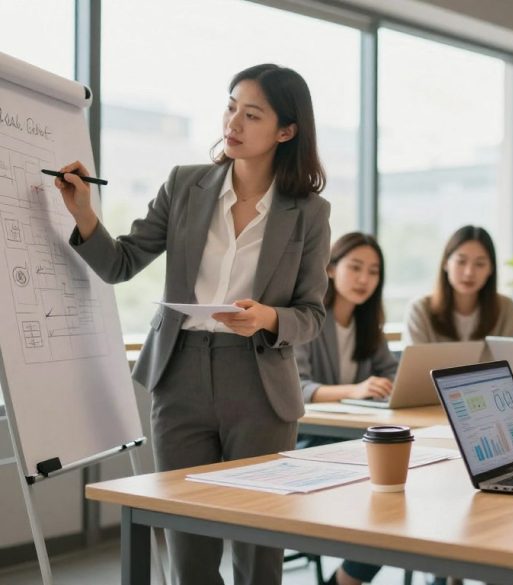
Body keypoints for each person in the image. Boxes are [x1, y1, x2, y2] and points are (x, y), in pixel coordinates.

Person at [55, 64, 330, 585]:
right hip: (180, 377)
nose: (234, 122)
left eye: (252, 115)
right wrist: (84, 215)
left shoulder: (308, 212)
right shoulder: (185, 185)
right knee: (188, 542)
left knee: (258, 544)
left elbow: (311, 314)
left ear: (286, 131)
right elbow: (121, 263)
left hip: (259, 383)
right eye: (231, 107)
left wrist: (268, 317)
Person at [295, 232, 395, 584]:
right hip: (311, 443)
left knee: (396, 493)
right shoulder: (308, 319)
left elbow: (391, 372)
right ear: (331, 269)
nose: (364, 279)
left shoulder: (368, 325)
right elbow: (299, 387)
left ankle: (346, 578)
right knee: (389, 500)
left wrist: (391, 386)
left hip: (356, 442)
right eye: (355, 267)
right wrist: (356, 390)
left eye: (373, 271)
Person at [403, 225, 513, 344]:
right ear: (446, 263)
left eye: (480, 264)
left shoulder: (506, 308)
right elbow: (415, 362)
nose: (469, 272)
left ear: (491, 269)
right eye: (461, 262)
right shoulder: (420, 310)